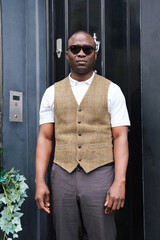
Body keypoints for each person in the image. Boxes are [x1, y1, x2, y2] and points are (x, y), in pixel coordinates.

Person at [35, 31, 130, 240]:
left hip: (100, 174)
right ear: (67, 54)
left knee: (102, 234)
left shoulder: (112, 91)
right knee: (64, 234)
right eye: (75, 49)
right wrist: (40, 181)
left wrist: (119, 182)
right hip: (62, 174)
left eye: (87, 49)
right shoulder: (51, 92)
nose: (81, 54)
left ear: (95, 55)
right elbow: (45, 138)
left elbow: (121, 138)